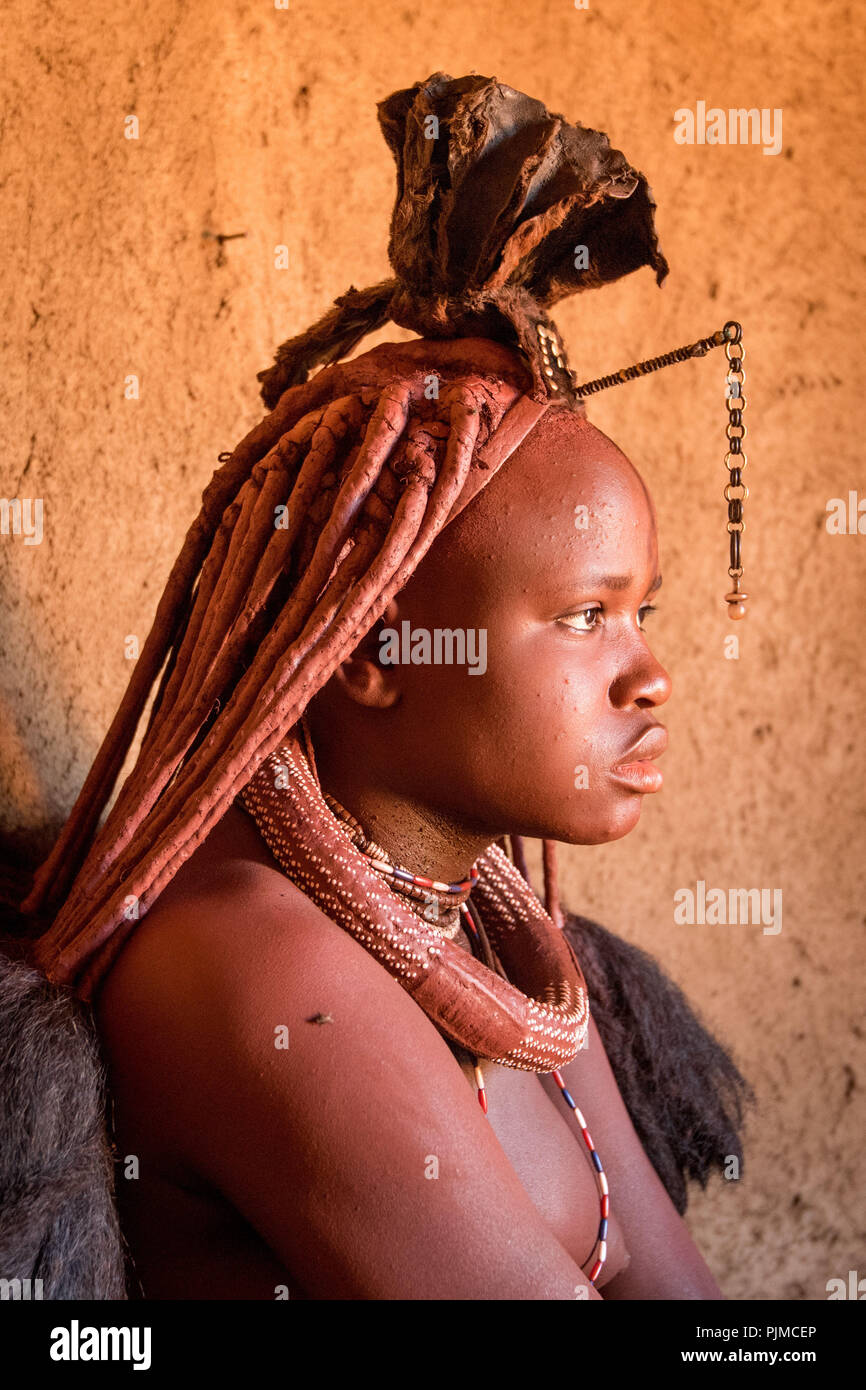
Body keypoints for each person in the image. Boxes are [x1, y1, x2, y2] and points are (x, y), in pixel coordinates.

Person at [4, 71, 751, 1300]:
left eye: (640, 611)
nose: (650, 675)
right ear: (371, 652)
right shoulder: (262, 974)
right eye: (582, 618)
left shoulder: (506, 955)